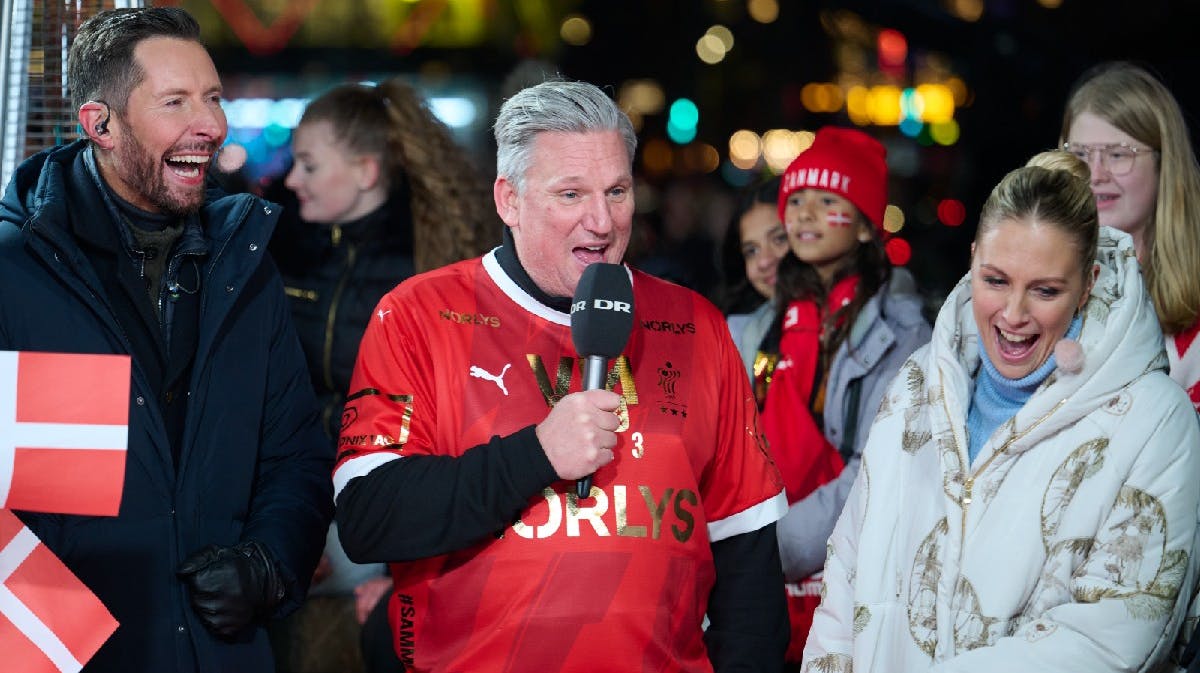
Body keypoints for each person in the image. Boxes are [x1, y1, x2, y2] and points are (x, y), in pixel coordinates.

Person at [332, 79, 790, 673]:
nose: (601, 222)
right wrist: (538, 454)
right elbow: (368, 518)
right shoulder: (419, 315)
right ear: (509, 200)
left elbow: (748, 566)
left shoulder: (695, 325)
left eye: (617, 191)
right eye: (570, 194)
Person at [0, 8, 333, 671]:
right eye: (175, 101)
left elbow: (295, 454)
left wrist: (268, 565)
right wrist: (55, 642)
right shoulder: (16, 272)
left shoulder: (244, 268)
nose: (211, 125)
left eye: (213, 97)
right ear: (100, 125)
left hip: (224, 651)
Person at [802, 151, 1200, 672]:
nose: (1013, 314)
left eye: (1045, 290)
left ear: (1088, 283)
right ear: (972, 260)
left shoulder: (1156, 420)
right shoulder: (916, 386)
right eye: (995, 281)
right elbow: (846, 579)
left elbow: (1110, 641)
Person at [269, 78, 498, 673]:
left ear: (367, 172)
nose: (292, 180)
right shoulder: (281, 250)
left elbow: (454, 427)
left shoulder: (432, 273)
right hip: (296, 504)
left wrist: (393, 566)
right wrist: (287, 528)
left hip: (377, 524)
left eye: (309, 165)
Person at [761, 127, 930, 663]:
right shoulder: (770, 322)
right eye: (796, 200)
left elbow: (875, 471)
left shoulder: (904, 333)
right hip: (767, 579)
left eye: (828, 201)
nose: (805, 214)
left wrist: (765, 548)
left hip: (846, 578)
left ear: (863, 226)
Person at [1060, 61, 1200, 409]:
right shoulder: (1031, 288)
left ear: (1164, 165)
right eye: (1080, 154)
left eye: (1118, 154)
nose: (1095, 174)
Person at [720, 176, 789, 382]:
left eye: (779, 239)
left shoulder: (856, 322)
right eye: (752, 251)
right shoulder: (740, 338)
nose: (764, 261)